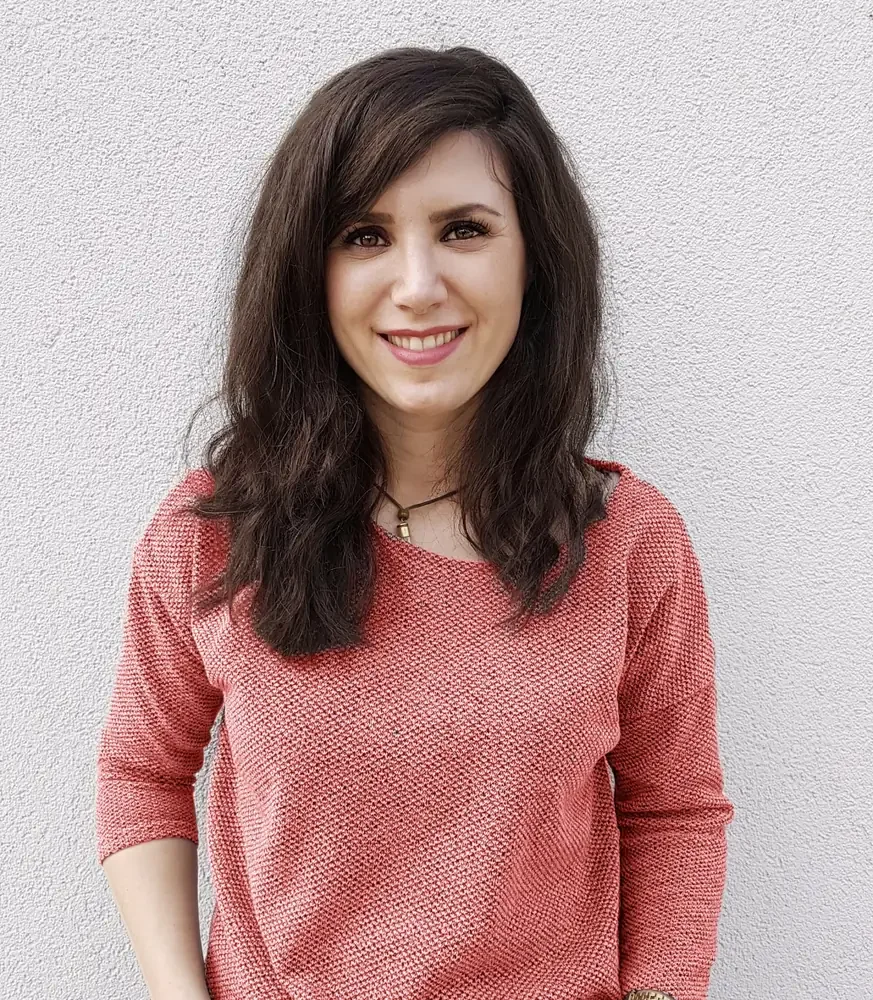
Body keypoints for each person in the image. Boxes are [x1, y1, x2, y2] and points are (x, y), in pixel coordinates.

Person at [95, 45, 734, 1000]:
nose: (418, 283)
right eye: (364, 235)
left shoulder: (625, 543)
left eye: (464, 229)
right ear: (307, 270)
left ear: (535, 260)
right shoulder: (212, 534)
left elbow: (675, 809)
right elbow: (142, 773)